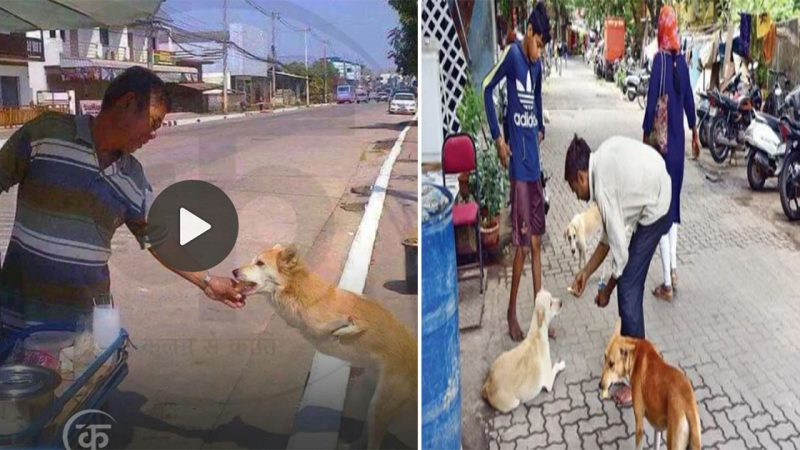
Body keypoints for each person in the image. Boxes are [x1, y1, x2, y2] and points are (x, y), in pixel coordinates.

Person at [0, 66, 244, 334]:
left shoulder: (132, 177)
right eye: (153, 123)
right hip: (15, 318)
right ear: (127, 103)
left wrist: (207, 282)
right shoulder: (45, 134)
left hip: (84, 329)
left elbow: (159, 239)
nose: (154, 135)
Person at [565, 134, 672, 406]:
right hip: (657, 191)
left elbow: (620, 254)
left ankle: (639, 383)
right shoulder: (600, 161)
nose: (577, 197)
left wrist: (608, 290)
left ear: (580, 177)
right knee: (627, 284)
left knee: (628, 289)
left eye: (573, 189)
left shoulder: (601, 185)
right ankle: (636, 370)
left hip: (658, 205)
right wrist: (586, 274)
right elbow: (608, 238)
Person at [483, 2, 550, 341]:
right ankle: (511, 314)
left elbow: (537, 101)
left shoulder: (536, 67)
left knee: (536, 244)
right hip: (519, 170)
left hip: (534, 166)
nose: (539, 53)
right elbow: (486, 89)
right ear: (530, 34)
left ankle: (540, 321)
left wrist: (540, 128)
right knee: (523, 246)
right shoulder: (512, 56)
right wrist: (498, 139)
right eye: (538, 44)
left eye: (543, 48)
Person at [642, 5, 700, 301]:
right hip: (678, 153)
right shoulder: (683, 63)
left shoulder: (660, 62)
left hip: (661, 153)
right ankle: (674, 268)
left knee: (662, 213)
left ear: (660, 29)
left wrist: (643, 137)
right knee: (674, 208)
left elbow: (652, 102)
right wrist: (696, 135)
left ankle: (666, 284)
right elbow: (690, 103)